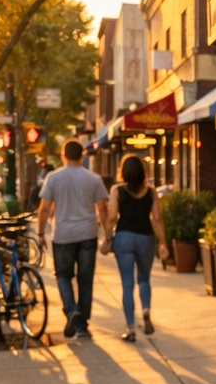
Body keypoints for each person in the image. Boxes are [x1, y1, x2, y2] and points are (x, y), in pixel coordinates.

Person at [37, 140, 110, 339]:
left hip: (63, 235)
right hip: (88, 233)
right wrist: (108, 235)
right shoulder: (94, 179)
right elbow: (103, 209)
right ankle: (82, 326)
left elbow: (44, 209)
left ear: (63, 155)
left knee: (63, 275)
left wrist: (40, 233)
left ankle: (71, 310)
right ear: (83, 156)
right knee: (85, 280)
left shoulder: (53, 178)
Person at [100, 153, 166, 342]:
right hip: (146, 237)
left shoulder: (117, 190)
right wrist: (164, 243)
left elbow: (111, 217)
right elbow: (157, 219)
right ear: (142, 172)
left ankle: (131, 329)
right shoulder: (151, 192)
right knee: (144, 280)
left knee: (127, 285)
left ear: (123, 172)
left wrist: (107, 238)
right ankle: (145, 310)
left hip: (124, 238)